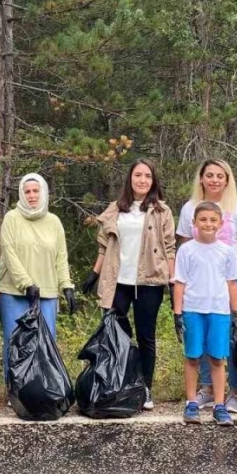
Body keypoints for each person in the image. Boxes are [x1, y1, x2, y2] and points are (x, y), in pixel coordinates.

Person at [83, 159, 175, 410]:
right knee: (117, 335)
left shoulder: (161, 211)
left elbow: (169, 248)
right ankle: (120, 383)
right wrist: (94, 273)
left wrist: (173, 280)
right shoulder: (116, 208)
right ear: (130, 178)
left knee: (146, 336)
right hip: (118, 282)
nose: (142, 180)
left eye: (147, 176)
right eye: (138, 175)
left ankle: (145, 387)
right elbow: (104, 245)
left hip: (149, 281)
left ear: (153, 180)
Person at [174, 159, 237, 413]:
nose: (214, 180)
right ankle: (206, 390)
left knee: (230, 340)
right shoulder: (189, 208)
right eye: (209, 175)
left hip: (233, 281)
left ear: (227, 180)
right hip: (198, 286)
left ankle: (233, 391)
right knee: (199, 342)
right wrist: (178, 297)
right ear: (201, 178)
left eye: (220, 176)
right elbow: (184, 248)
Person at [0, 173, 76, 386]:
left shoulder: (54, 222)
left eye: (35, 191)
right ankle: (15, 390)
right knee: (15, 342)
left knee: (45, 343)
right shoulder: (12, 218)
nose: (31, 195)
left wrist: (66, 286)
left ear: (43, 192)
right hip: (14, 291)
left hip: (46, 292)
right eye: (27, 191)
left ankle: (41, 388)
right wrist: (26, 283)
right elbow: (9, 254)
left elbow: (61, 257)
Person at [172, 202, 237, 426]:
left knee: (217, 359)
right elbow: (179, 283)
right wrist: (177, 312)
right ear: (194, 223)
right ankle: (191, 403)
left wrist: (236, 314)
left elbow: (231, 284)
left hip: (219, 311)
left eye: (213, 220)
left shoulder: (227, 251)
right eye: (203, 219)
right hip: (193, 309)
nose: (208, 224)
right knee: (193, 357)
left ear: (221, 224)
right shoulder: (186, 250)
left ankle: (219, 406)